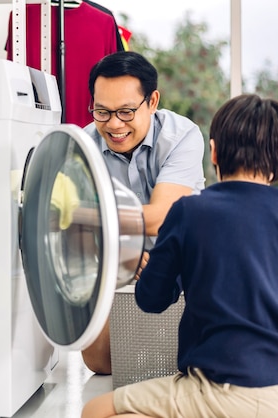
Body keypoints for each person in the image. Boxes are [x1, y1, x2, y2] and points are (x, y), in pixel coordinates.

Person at [81, 93, 278, 418]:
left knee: (96, 410)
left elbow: (151, 299)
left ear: (213, 151)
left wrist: (160, 270)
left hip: (224, 392)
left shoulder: (188, 213)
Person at [81, 51, 206, 375]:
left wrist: (88, 215)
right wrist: (125, 254)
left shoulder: (182, 135)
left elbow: (162, 217)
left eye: (125, 111)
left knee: (186, 362)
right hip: (115, 262)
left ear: (152, 101)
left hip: (182, 261)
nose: (114, 124)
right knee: (99, 363)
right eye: (102, 111)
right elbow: (70, 230)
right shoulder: (83, 144)